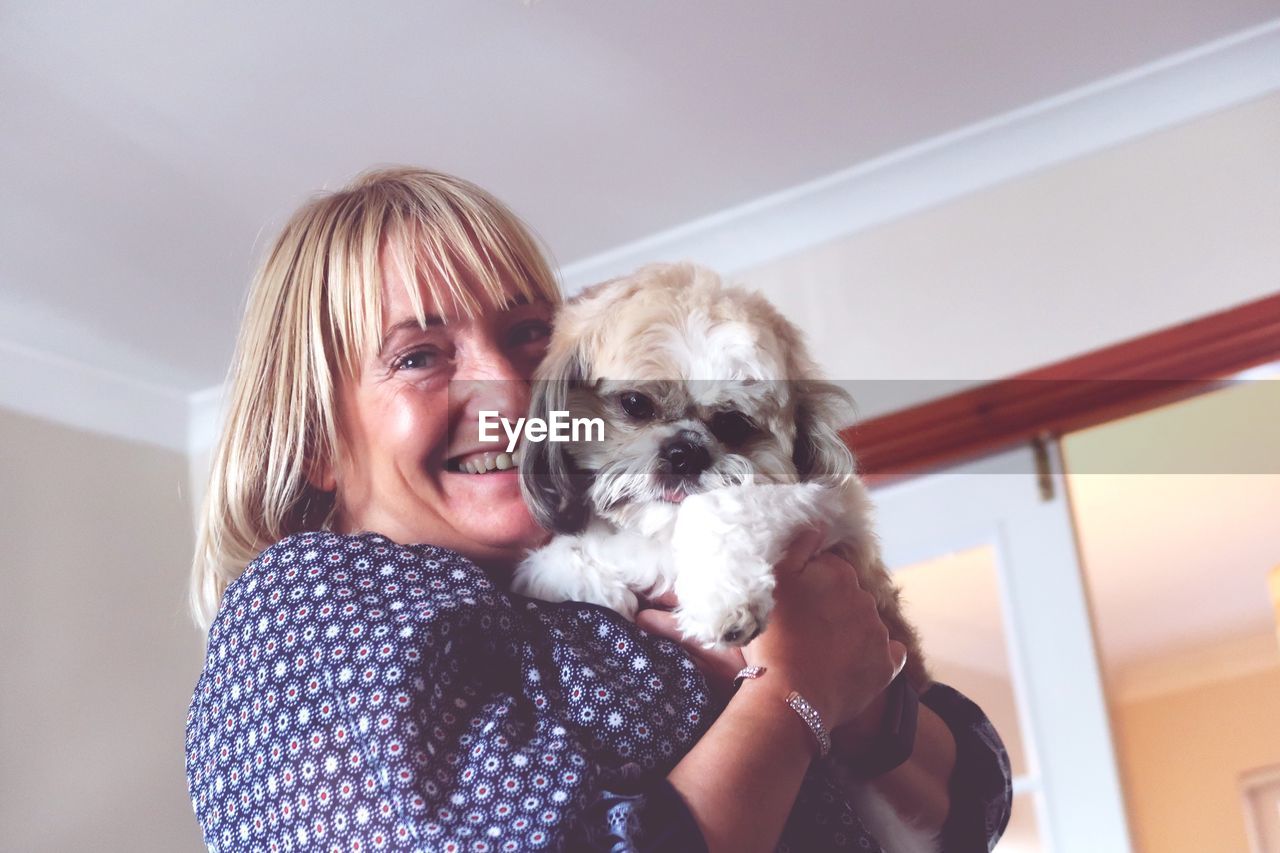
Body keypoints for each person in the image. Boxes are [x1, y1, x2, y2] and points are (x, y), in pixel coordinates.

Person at [186, 167, 1011, 852]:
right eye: (419, 356)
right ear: (318, 442)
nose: (509, 395)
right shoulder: (309, 611)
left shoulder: (609, 562)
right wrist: (791, 691)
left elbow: (971, 791)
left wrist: (857, 693)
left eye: (528, 336)